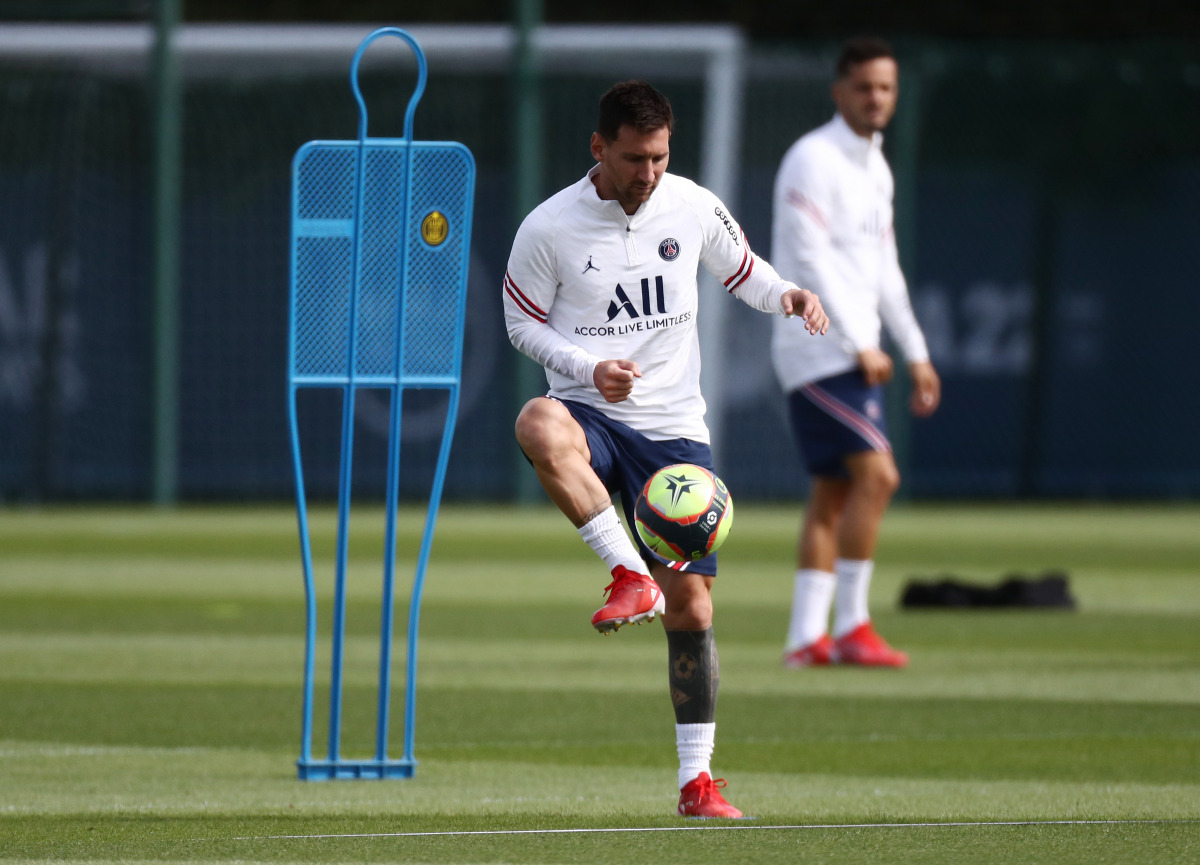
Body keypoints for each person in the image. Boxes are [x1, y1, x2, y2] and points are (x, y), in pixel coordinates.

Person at [504, 80, 829, 817]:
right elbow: (521, 325)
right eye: (632, 158)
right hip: (588, 406)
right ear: (598, 148)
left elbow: (744, 270)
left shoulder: (692, 203)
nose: (648, 173)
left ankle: (697, 781)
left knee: (692, 605)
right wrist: (589, 369)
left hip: (676, 428)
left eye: (659, 156)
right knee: (536, 422)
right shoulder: (548, 226)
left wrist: (791, 295)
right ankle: (627, 572)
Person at [770, 37, 941, 669]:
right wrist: (859, 341)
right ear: (839, 90)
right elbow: (808, 257)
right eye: (865, 86)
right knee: (880, 476)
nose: (877, 98)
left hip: (851, 348)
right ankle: (852, 626)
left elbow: (884, 267)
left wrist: (916, 350)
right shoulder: (813, 159)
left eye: (887, 88)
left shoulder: (876, 166)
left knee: (833, 494)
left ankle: (804, 638)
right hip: (819, 348)